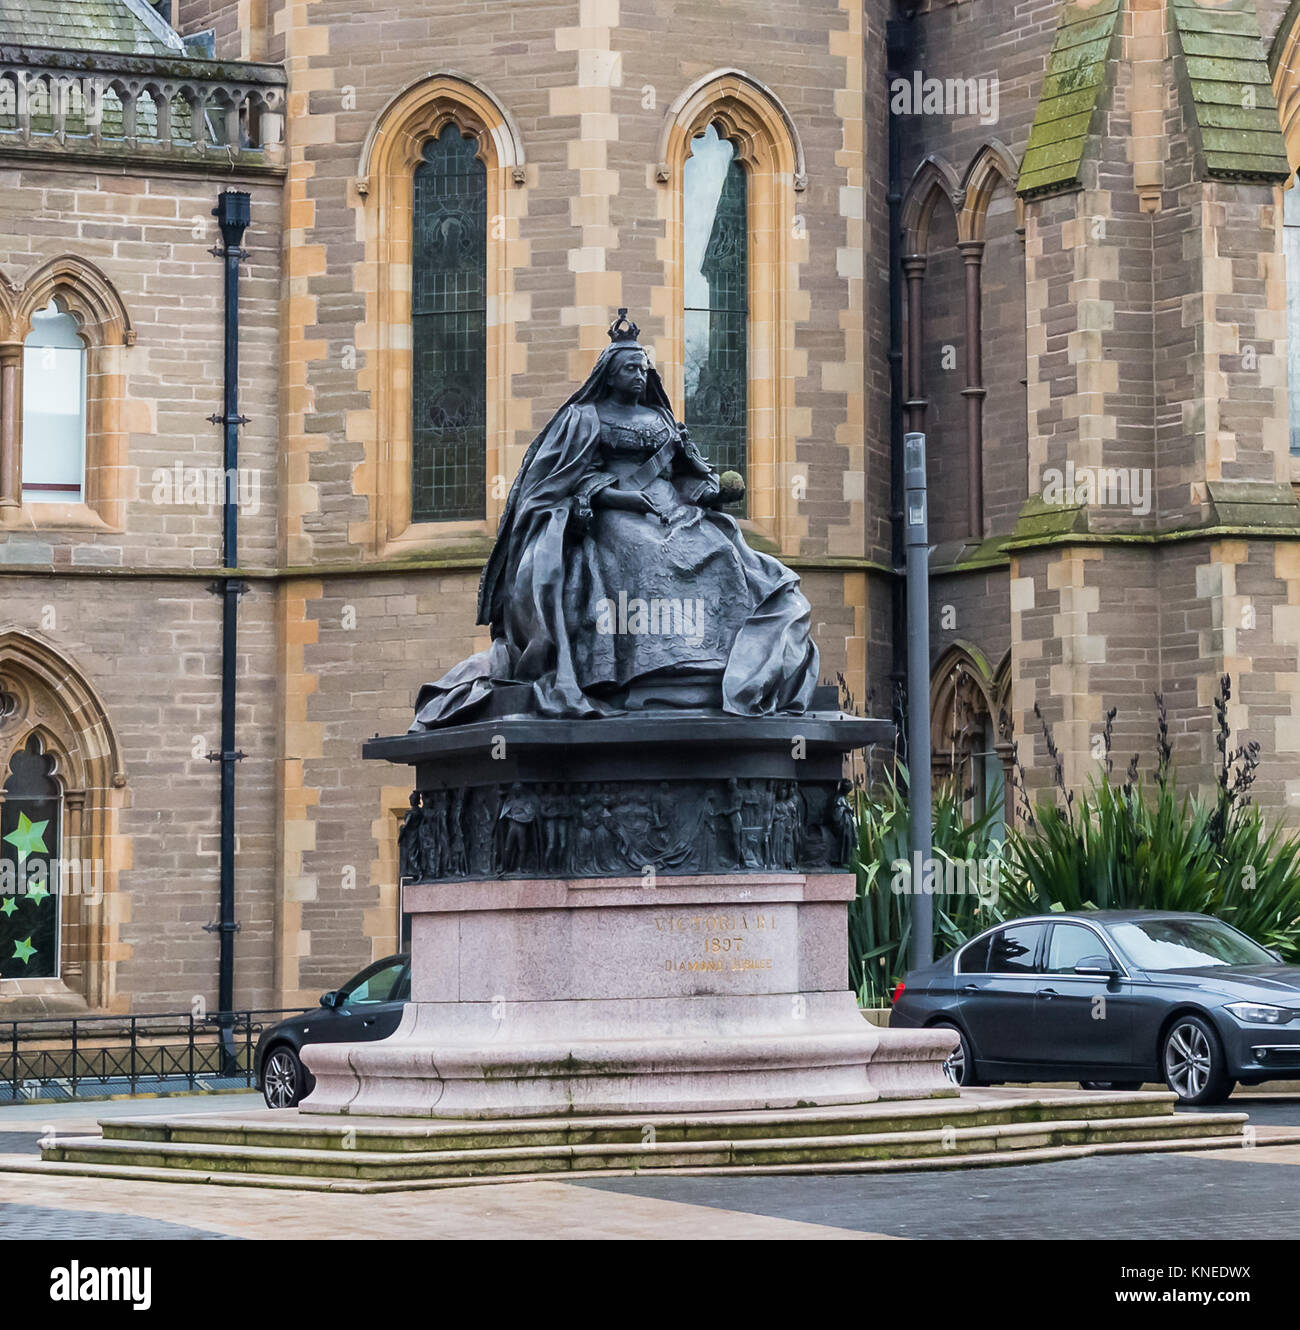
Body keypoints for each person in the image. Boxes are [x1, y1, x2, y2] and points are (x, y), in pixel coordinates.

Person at [411, 310, 819, 728]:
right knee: (646, 553)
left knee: (720, 550)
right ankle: (645, 670)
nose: (639, 376)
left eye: (643, 369)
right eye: (630, 369)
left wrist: (714, 491)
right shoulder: (584, 418)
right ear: (610, 375)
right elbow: (562, 480)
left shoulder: (662, 420)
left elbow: (685, 474)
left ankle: (709, 662)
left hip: (673, 510)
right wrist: (621, 499)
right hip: (613, 512)